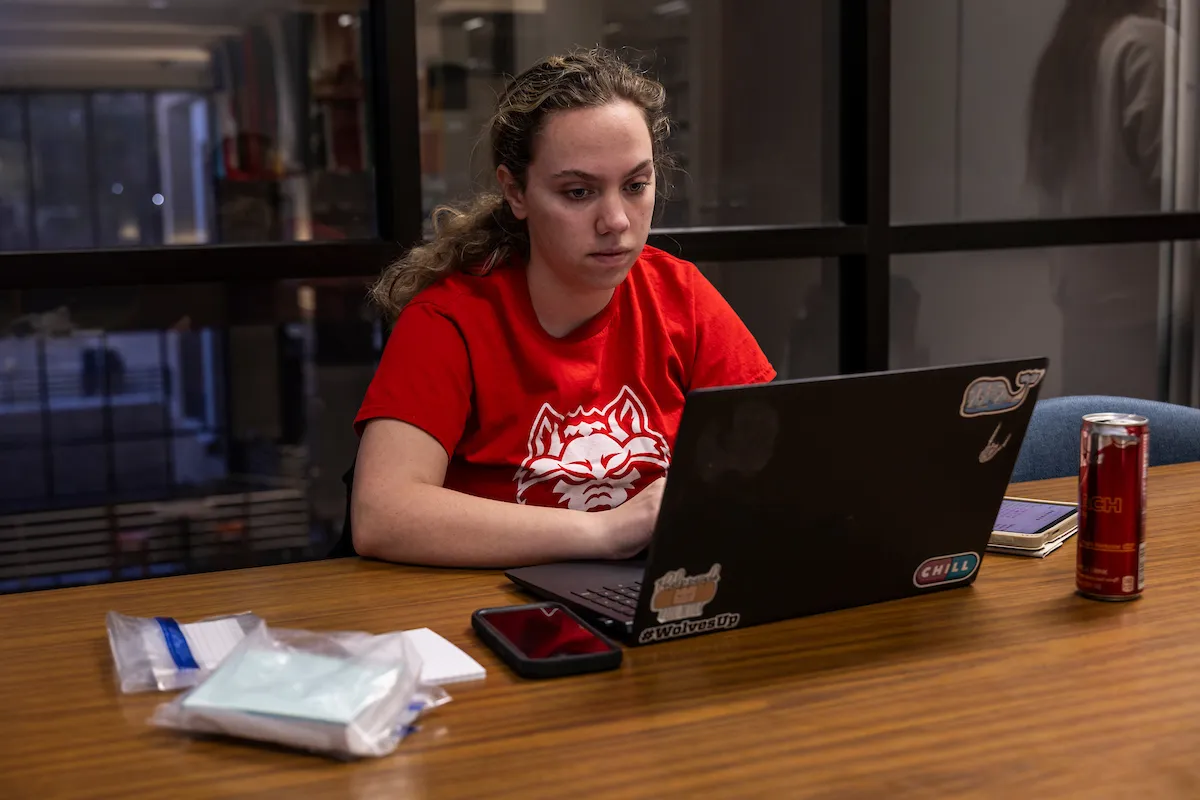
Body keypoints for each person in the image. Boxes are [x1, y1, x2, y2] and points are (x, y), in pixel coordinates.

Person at [350, 49, 775, 569]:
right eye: (579, 192)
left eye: (636, 186)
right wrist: (605, 531)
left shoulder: (678, 291)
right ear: (516, 192)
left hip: (652, 593)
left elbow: (772, 459)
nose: (616, 220)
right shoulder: (450, 320)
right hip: (492, 604)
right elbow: (382, 514)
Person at [1026, 0, 1169, 398]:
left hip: (1087, 304)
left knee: (1095, 449)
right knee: (1151, 452)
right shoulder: (1142, 42)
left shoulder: (1074, 45)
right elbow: (1177, 180)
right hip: (1145, 310)